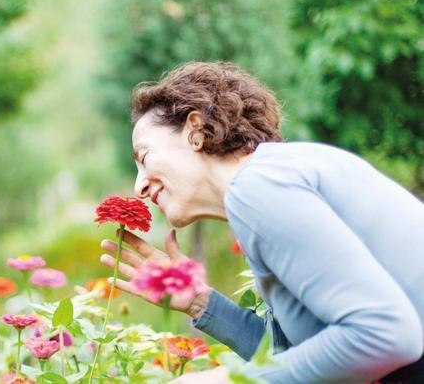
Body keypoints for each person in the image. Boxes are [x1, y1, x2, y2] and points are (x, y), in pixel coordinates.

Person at [100, 61, 424, 383]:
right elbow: (302, 361)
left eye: (144, 157)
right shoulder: (268, 186)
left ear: (195, 131)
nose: (138, 187)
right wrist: (202, 303)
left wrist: (223, 380)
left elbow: (386, 334)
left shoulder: (258, 187)